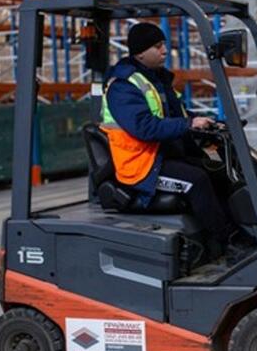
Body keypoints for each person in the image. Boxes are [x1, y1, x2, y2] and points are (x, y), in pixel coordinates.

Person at [101, 22, 236, 254]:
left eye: (164, 45)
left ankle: (237, 232)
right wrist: (188, 124)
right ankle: (224, 244)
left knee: (219, 173)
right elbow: (144, 127)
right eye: (158, 46)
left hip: (161, 156)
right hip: (140, 166)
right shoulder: (123, 87)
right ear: (140, 52)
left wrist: (205, 121)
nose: (165, 50)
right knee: (197, 180)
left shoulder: (156, 80)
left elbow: (177, 115)